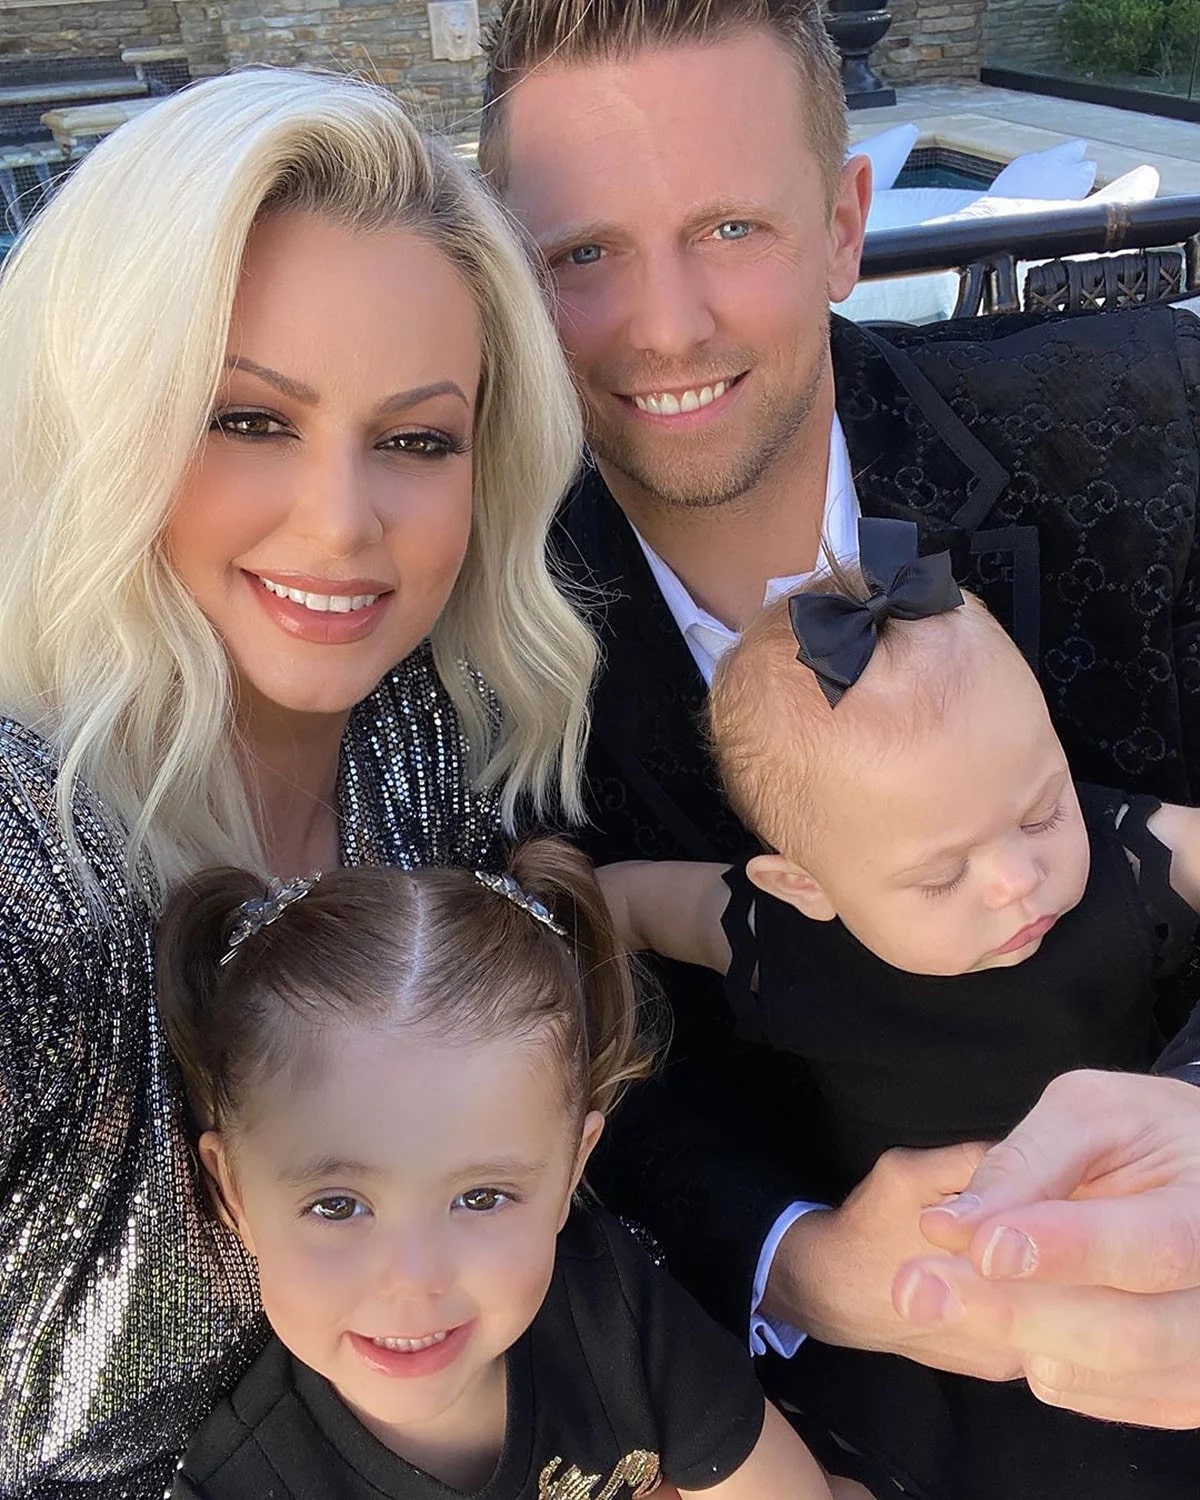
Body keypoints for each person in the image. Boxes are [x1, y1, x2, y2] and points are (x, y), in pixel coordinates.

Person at [478, 0, 1200, 1473]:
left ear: (845, 226)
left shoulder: (1147, 422)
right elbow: (569, 1063)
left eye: (731, 226)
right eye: (584, 254)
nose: (664, 324)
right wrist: (793, 1256)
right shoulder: (465, 640)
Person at [0, 68, 595, 1498]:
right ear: (100, 422)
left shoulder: (421, 751)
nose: (341, 526)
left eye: (414, 441)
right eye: (250, 420)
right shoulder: (30, 876)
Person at [598, 519, 1200, 1497]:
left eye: (1041, 808)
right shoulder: (781, 938)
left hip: (1116, 1261)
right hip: (909, 1303)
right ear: (804, 884)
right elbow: (616, 905)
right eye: (940, 873)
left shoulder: (1115, 869)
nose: (1016, 878)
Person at [155, 843, 850, 1500]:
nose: (415, 1276)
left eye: (481, 1197)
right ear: (234, 1192)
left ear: (571, 1171)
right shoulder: (241, 1482)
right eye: (338, 1205)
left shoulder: (612, 1311)